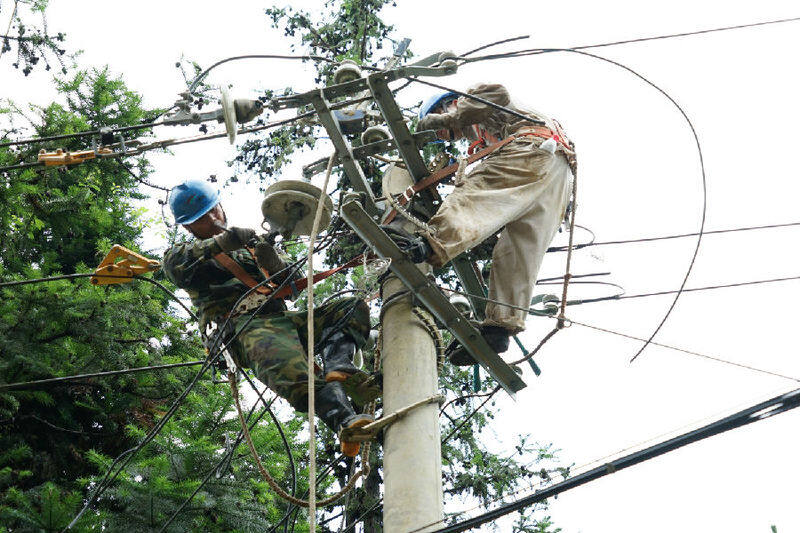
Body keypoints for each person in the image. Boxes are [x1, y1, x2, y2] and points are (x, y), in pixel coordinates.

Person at [162, 179, 377, 456]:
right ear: (188, 226)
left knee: (349, 308)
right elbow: (177, 267)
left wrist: (273, 262)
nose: (213, 218)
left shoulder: (250, 248)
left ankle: (339, 366)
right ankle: (346, 422)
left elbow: (293, 288)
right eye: (202, 218)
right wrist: (222, 242)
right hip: (244, 329)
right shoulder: (184, 257)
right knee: (293, 375)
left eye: (214, 209)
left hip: (282, 321)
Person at [393, 83, 575, 365]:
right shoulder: (487, 134)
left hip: (531, 150)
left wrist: (445, 120)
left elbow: (497, 93)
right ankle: (500, 327)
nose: (446, 135)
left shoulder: (476, 100)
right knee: (517, 252)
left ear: (448, 104)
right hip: (557, 173)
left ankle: (429, 242)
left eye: (442, 130)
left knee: (475, 193)